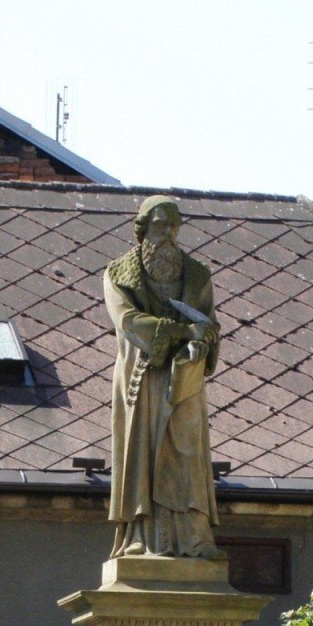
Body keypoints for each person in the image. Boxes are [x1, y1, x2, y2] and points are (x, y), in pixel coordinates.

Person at [104, 196, 221, 558]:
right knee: (142, 457)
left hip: (185, 378)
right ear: (142, 228)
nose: (168, 232)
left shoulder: (197, 274)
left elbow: (209, 325)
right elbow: (128, 321)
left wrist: (202, 340)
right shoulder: (119, 273)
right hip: (143, 379)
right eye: (159, 224)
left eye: (173, 225)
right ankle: (142, 536)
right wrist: (180, 331)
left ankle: (192, 538)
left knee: (186, 453)